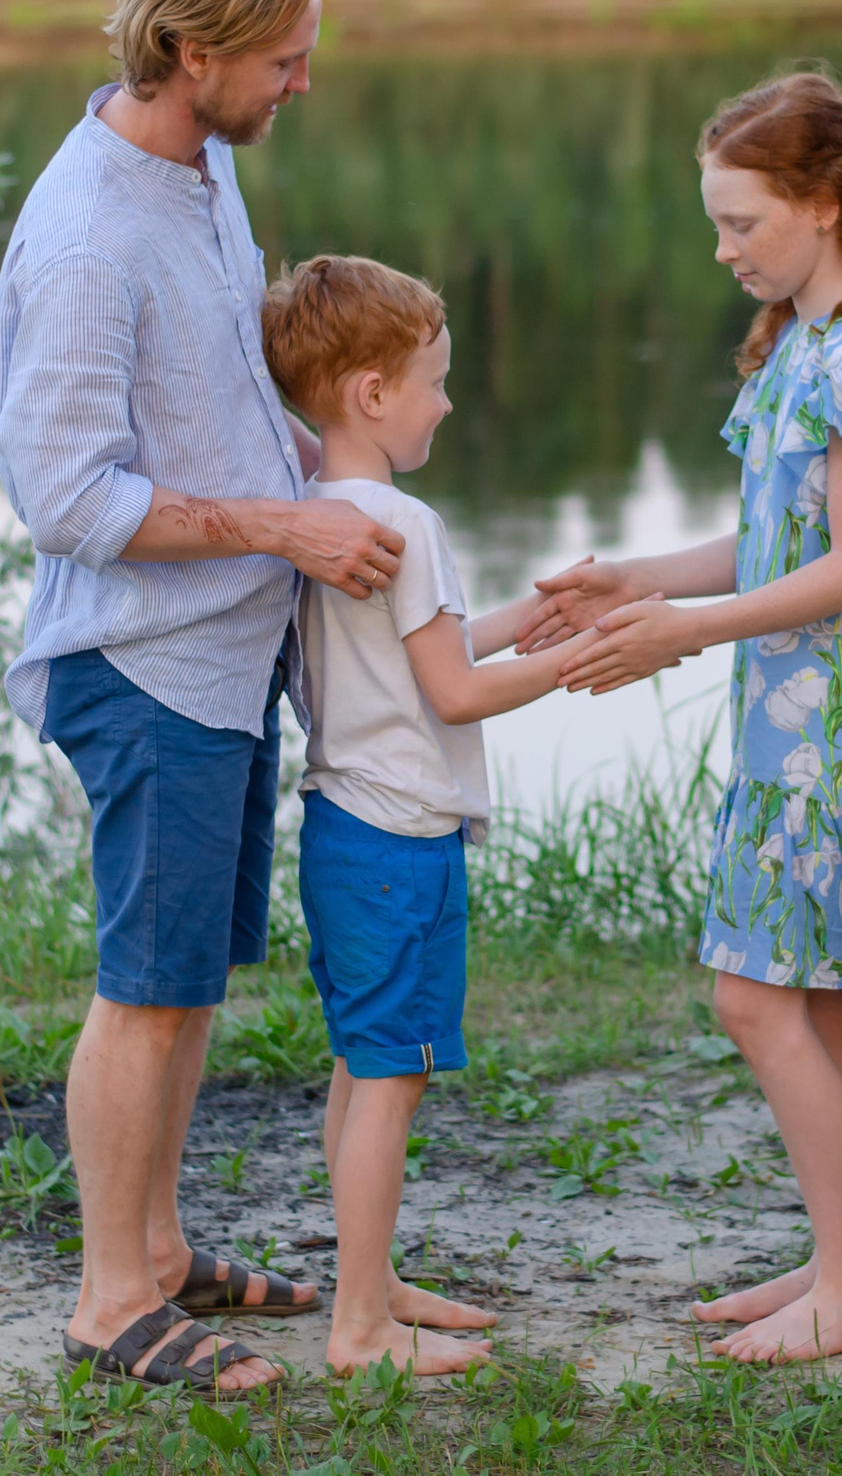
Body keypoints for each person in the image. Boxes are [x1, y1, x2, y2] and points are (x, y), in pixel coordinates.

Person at [0, 0, 412, 1395]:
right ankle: (111, 1303)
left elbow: (223, 389)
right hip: (146, 666)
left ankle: (161, 1250)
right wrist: (282, 529)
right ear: (188, 48)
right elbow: (70, 499)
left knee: (189, 980)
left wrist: (330, 465)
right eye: (282, 60)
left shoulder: (203, 167)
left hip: (225, 661)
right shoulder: (93, 238)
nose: (302, 83)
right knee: (144, 987)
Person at [519, 72, 842, 1365]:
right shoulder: (808, 344)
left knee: (754, 998)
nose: (725, 251)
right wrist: (642, 580)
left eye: (742, 223)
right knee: (822, 1001)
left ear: (827, 202)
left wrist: (680, 637)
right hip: (806, 726)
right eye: (718, 226)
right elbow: (777, 539)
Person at [262, 254, 595, 1376]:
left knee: (362, 1067)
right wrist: (576, 663)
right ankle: (359, 1328)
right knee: (389, 1079)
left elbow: (422, 659)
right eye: (435, 382)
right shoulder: (405, 517)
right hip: (403, 840)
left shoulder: (312, 514)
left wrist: (530, 623)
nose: (447, 402)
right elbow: (450, 692)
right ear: (372, 392)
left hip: (343, 824)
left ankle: (371, 1279)